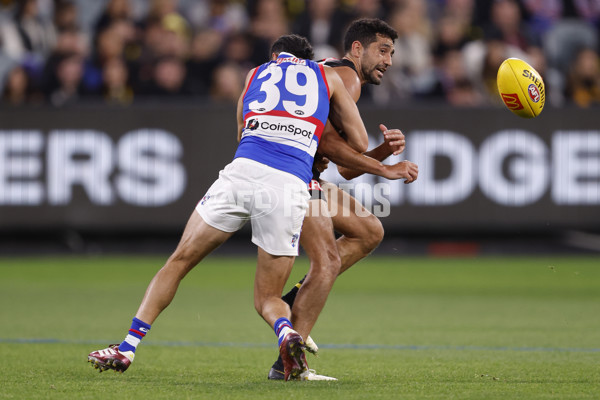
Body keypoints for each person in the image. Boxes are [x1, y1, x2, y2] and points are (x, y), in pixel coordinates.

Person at [87, 33, 379, 381]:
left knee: (178, 262)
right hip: (288, 184)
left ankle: (127, 346)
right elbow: (360, 142)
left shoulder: (255, 73)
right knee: (268, 298)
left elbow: (242, 131)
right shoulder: (328, 76)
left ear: (275, 56)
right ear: (311, 59)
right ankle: (286, 331)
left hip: (240, 173)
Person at [267, 18, 419, 380]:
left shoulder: (335, 77)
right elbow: (326, 144)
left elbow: (347, 167)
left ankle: (294, 301)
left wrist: (382, 151)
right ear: (356, 49)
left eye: (392, 53)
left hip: (305, 176)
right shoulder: (345, 77)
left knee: (368, 231)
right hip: (294, 177)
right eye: (382, 50)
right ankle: (289, 365)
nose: (389, 60)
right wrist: (386, 169)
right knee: (329, 260)